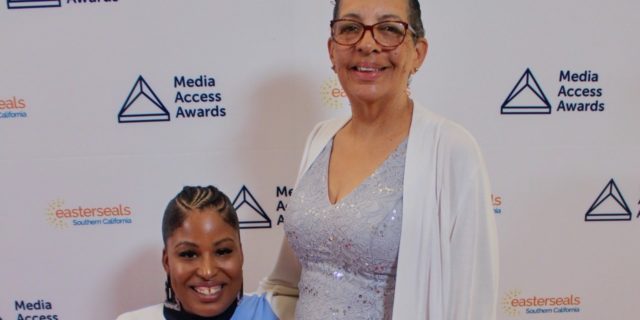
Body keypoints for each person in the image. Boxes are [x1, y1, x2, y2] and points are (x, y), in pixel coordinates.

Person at [259, 0, 499, 319]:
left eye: (389, 29)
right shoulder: (320, 138)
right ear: (332, 51)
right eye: (350, 28)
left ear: (418, 53)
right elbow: (291, 281)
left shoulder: (452, 149)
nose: (367, 44)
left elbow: (472, 299)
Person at [117, 186, 278, 320]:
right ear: (167, 261)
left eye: (222, 251)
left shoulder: (278, 311)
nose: (207, 271)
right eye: (188, 254)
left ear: (241, 254)